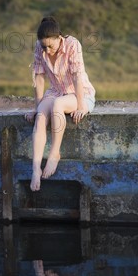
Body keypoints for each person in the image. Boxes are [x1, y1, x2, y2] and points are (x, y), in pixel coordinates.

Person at [25, 17, 96, 191]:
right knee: (41, 115)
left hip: (80, 94)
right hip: (56, 91)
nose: (47, 50)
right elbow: (39, 78)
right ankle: (35, 168)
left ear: (59, 38)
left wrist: (80, 106)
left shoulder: (72, 44)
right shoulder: (39, 46)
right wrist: (37, 107)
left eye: (51, 46)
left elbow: (78, 77)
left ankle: (55, 153)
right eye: (44, 47)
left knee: (57, 105)